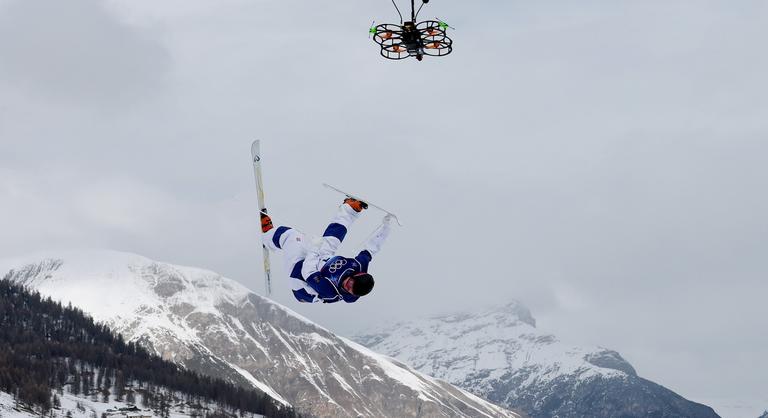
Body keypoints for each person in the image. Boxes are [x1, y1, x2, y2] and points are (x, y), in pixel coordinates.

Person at [260, 198, 394, 304]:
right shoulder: (358, 266)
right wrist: (387, 227)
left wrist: (314, 248)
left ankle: (267, 237)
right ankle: (350, 209)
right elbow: (372, 248)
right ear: (357, 275)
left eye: (349, 290)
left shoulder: (330, 290)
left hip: (302, 282)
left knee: (291, 236)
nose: (347, 287)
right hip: (324, 261)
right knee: (332, 238)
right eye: (350, 284)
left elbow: (308, 271)